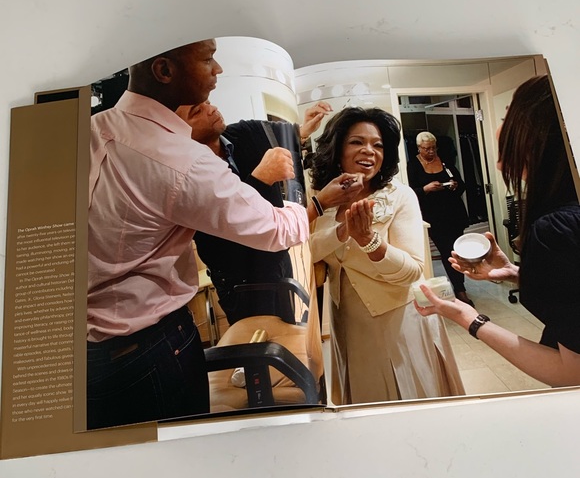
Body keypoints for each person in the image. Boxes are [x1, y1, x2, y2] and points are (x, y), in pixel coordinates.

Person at [87, 39, 310, 429]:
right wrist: (298, 197)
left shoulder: (92, 129)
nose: (218, 70)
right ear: (164, 71)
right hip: (153, 349)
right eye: (207, 59)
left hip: (90, 355)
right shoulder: (182, 162)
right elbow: (277, 229)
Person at [415, 74, 580, 385]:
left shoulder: (555, 229)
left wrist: (469, 319)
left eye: (506, 116)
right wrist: (516, 273)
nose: (500, 127)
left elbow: (573, 374)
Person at [309, 107, 464, 404]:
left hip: (398, 321)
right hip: (348, 323)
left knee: (411, 402)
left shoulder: (400, 196)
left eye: (377, 145)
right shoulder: (325, 197)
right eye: (357, 142)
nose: (369, 151)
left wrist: (370, 241)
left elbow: (413, 270)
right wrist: (343, 230)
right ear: (337, 149)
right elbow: (309, 249)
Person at [174, 100, 334, 324]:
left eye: (207, 102)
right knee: (261, 342)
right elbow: (224, 242)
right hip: (241, 284)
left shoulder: (243, 133)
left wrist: (304, 129)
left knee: (288, 332)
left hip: (278, 265)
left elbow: (286, 133)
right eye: (197, 111)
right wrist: (261, 179)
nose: (211, 109)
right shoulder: (188, 174)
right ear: (176, 129)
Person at [407, 131, 473, 305]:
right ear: (419, 148)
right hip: (433, 217)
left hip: (454, 213)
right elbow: (411, 193)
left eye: (433, 148)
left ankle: (459, 287)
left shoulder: (445, 161)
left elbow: (462, 185)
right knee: (447, 251)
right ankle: (460, 290)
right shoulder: (413, 165)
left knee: (457, 251)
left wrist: (455, 185)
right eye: (426, 148)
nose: (431, 152)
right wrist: (426, 189)